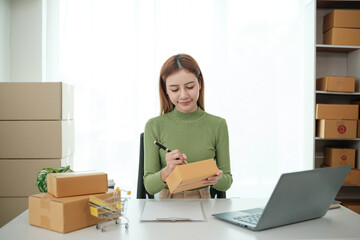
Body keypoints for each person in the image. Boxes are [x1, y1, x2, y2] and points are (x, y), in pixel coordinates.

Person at [143, 53, 232, 199]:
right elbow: (150, 187)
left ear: (200, 84)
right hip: (167, 203)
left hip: (203, 201)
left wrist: (217, 179)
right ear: (166, 90)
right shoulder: (154, 126)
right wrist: (167, 170)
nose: (183, 95)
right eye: (175, 90)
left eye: (189, 87)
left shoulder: (218, 125)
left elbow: (226, 181)